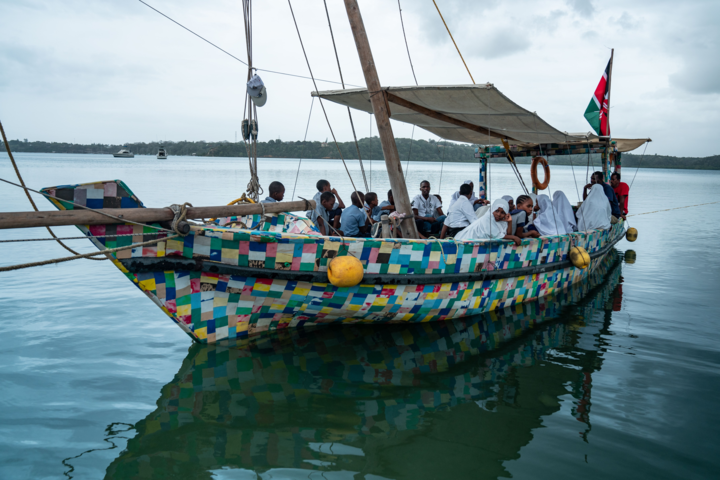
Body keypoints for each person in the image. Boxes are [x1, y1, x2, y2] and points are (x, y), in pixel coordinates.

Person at [454, 198, 521, 245]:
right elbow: (497, 235)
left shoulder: (502, 221)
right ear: (492, 210)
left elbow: (507, 235)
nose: (499, 214)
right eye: (496, 211)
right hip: (465, 240)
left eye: (502, 212)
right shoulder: (488, 217)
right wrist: (514, 237)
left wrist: (509, 222)